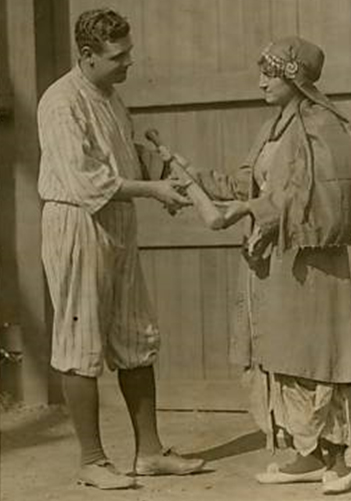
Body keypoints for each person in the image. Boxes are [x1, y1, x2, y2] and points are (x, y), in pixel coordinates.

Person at [182, 37, 351, 495]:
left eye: (270, 73)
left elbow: (306, 198)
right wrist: (190, 178)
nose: (261, 80)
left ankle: (343, 461)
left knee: (317, 360)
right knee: (284, 358)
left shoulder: (325, 128)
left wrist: (246, 213)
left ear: (294, 76)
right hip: (276, 265)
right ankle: (307, 454)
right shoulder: (274, 129)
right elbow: (249, 182)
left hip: (311, 265)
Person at [37, 8, 204, 490]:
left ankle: (148, 453)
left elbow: (119, 160)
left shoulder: (111, 97)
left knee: (136, 334)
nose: (129, 62)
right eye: (118, 55)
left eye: (129, 51)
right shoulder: (60, 102)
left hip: (116, 221)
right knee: (79, 339)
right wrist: (151, 192)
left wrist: (159, 178)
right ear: (86, 56)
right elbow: (85, 179)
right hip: (75, 221)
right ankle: (92, 460)